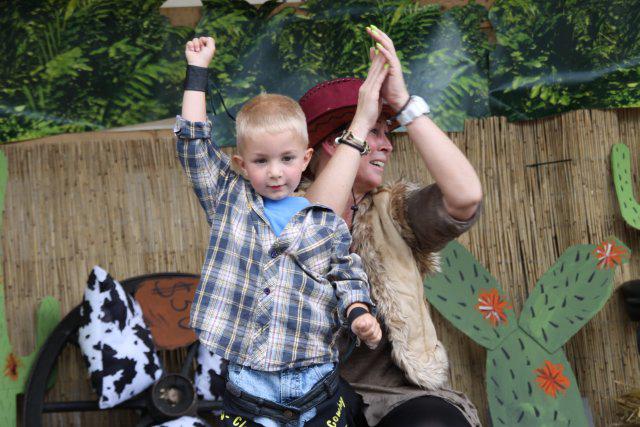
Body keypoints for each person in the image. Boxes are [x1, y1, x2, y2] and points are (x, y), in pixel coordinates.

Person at [175, 36, 382, 427]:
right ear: (241, 164)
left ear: (305, 159)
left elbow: (347, 275)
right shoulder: (229, 200)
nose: (274, 172)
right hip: (250, 385)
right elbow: (194, 145)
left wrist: (359, 314)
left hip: (316, 378)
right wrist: (197, 71)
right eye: (261, 161)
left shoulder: (323, 221)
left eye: (287, 159)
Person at [301, 25, 484, 426]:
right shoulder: (276, 214)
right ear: (333, 141)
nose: (388, 143)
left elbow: (466, 196)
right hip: (300, 394)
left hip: (393, 395)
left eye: (388, 132)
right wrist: (360, 120)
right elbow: (313, 227)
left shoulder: (393, 211)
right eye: (375, 131)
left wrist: (404, 104)